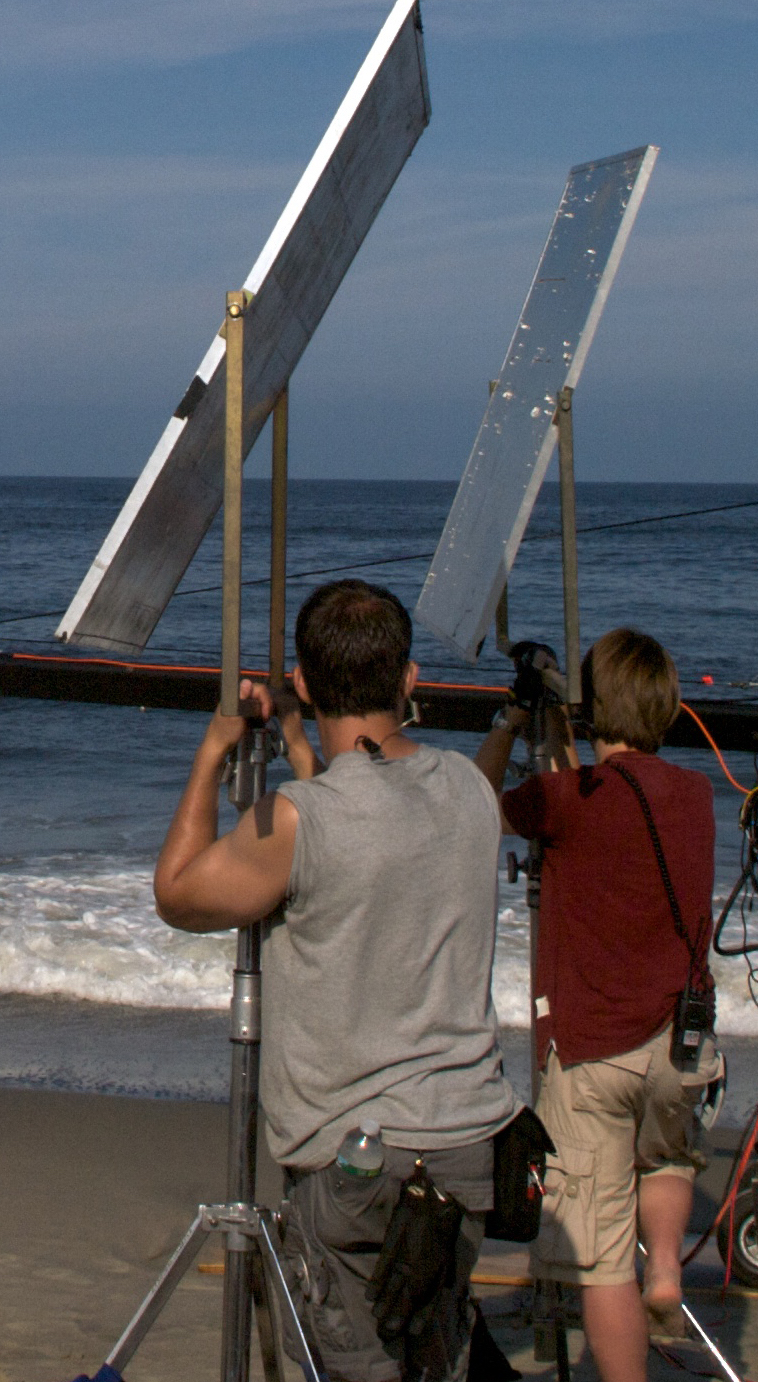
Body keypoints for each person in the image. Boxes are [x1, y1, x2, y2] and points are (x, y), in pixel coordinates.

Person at [153, 580, 516, 1382]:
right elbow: (373, 826)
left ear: (307, 682)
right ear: (410, 678)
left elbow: (179, 892)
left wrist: (214, 752)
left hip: (355, 1153)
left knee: (352, 1363)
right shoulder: (470, 791)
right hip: (462, 1139)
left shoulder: (300, 819)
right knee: (434, 1359)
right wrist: (299, 748)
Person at [477, 628, 721, 1382]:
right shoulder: (696, 796)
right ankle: (670, 1276)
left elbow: (478, 798)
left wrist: (511, 721)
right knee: (670, 1154)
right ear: (669, 705)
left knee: (601, 1256)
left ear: (585, 711)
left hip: (591, 1046)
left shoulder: (565, 799)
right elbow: (610, 798)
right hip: (678, 1041)